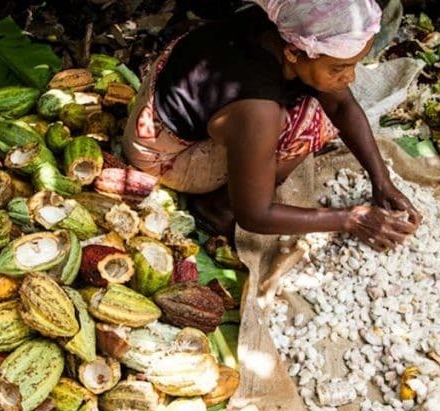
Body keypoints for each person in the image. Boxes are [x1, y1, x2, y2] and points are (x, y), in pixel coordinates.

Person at [121, 0, 422, 251]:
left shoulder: (280, 23)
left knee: (323, 98)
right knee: (311, 120)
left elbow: (343, 105)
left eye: (354, 64)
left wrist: (382, 182)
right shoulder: (258, 109)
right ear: (293, 53)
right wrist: (351, 219)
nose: (351, 78)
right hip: (164, 155)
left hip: (160, 103)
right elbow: (255, 215)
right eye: (339, 67)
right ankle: (217, 208)